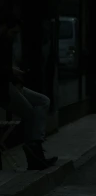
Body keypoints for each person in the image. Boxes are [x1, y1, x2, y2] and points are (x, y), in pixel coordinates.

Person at [0, 16, 58, 171]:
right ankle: (34, 152)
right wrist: (12, 73)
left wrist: (16, 77)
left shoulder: (7, 42)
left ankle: (35, 144)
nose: (14, 36)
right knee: (30, 113)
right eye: (13, 32)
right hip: (3, 88)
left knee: (43, 101)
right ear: (4, 27)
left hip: (11, 84)